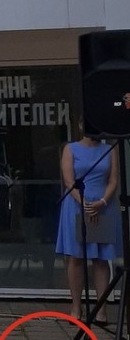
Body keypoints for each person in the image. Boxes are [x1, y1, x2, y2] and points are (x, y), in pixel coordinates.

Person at [56, 133, 120, 324]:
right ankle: (76, 307)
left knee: (101, 259)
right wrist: (84, 202)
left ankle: (101, 310)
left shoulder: (110, 149)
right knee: (76, 257)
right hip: (76, 205)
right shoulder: (70, 148)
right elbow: (68, 181)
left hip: (102, 207)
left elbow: (113, 180)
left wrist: (102, 201)